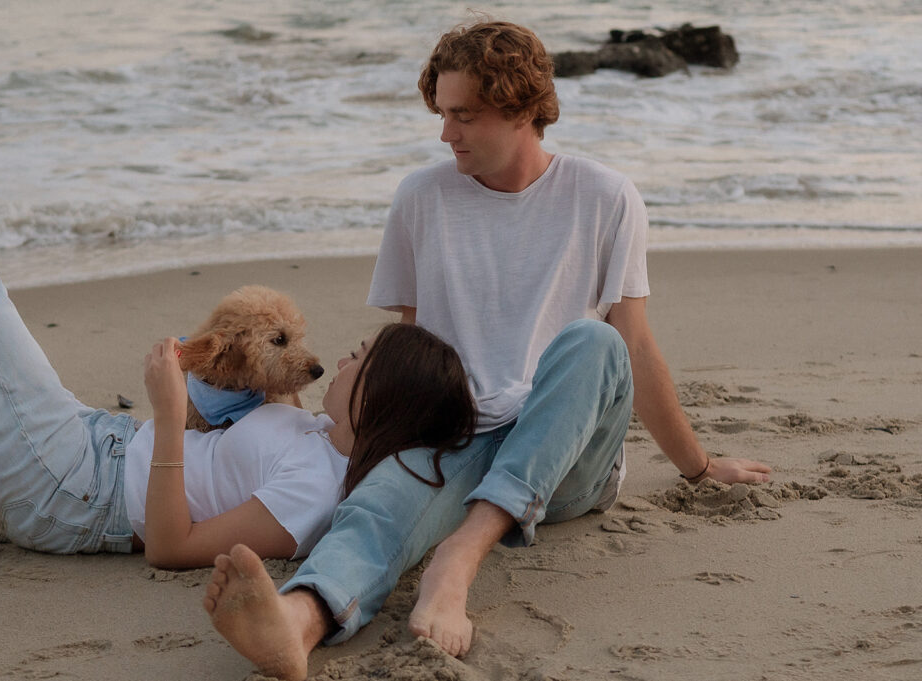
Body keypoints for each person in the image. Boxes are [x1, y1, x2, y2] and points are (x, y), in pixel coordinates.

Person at [201, 19, 775, 680]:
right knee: (377, 508)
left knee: (593, 340)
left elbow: (633, 348)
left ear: (524, 109)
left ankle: (460, 557)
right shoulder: (422, 197)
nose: (446, 134)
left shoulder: (605, 197)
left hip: (566, 457)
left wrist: (700, 467)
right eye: (443, 114)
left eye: (464, 116)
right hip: (459, 434)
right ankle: (296, 624)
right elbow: (415, 359)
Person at [0, 170, 477, 568]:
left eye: (360, 358)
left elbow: (172, 547)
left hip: (75, 493)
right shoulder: (323, 440)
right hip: (96, 446)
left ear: (377, 400)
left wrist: (170, 411)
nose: (342, 361)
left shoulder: (316, 492)